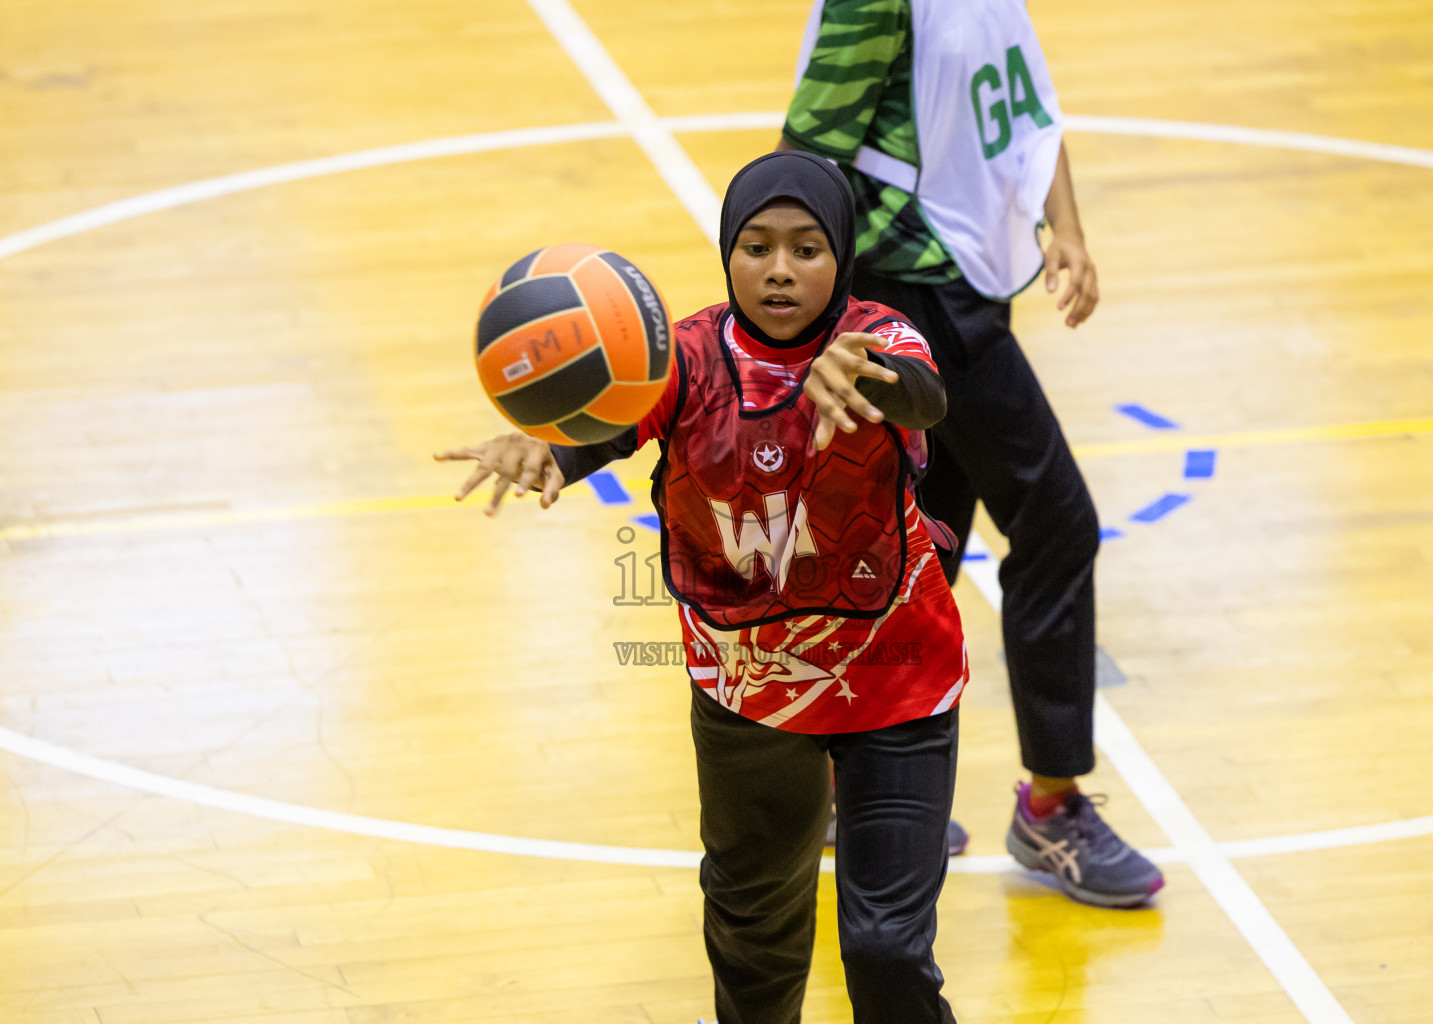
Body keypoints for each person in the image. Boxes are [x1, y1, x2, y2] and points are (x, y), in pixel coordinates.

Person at [438, 150, 968, 1023]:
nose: (780, 270)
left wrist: (865, 374)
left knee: (885, 951)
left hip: (898, 688)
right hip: (747, 695)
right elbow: (610, 425)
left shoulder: (883, 336)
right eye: (757, 247)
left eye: (806, 249)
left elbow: (924, 399)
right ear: (730, 254)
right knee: (752, 932)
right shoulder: (683, 355)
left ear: (839, 256)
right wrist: (551, 450)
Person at [778, 0, 1164, 908]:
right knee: (1058, 524)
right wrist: (814, 328)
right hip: (913, 297)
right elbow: (806, 157)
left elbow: (1030, 112)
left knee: (926, 541)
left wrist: (1064, 226)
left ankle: (853, 785)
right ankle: (1053, 807)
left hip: (968, 282)